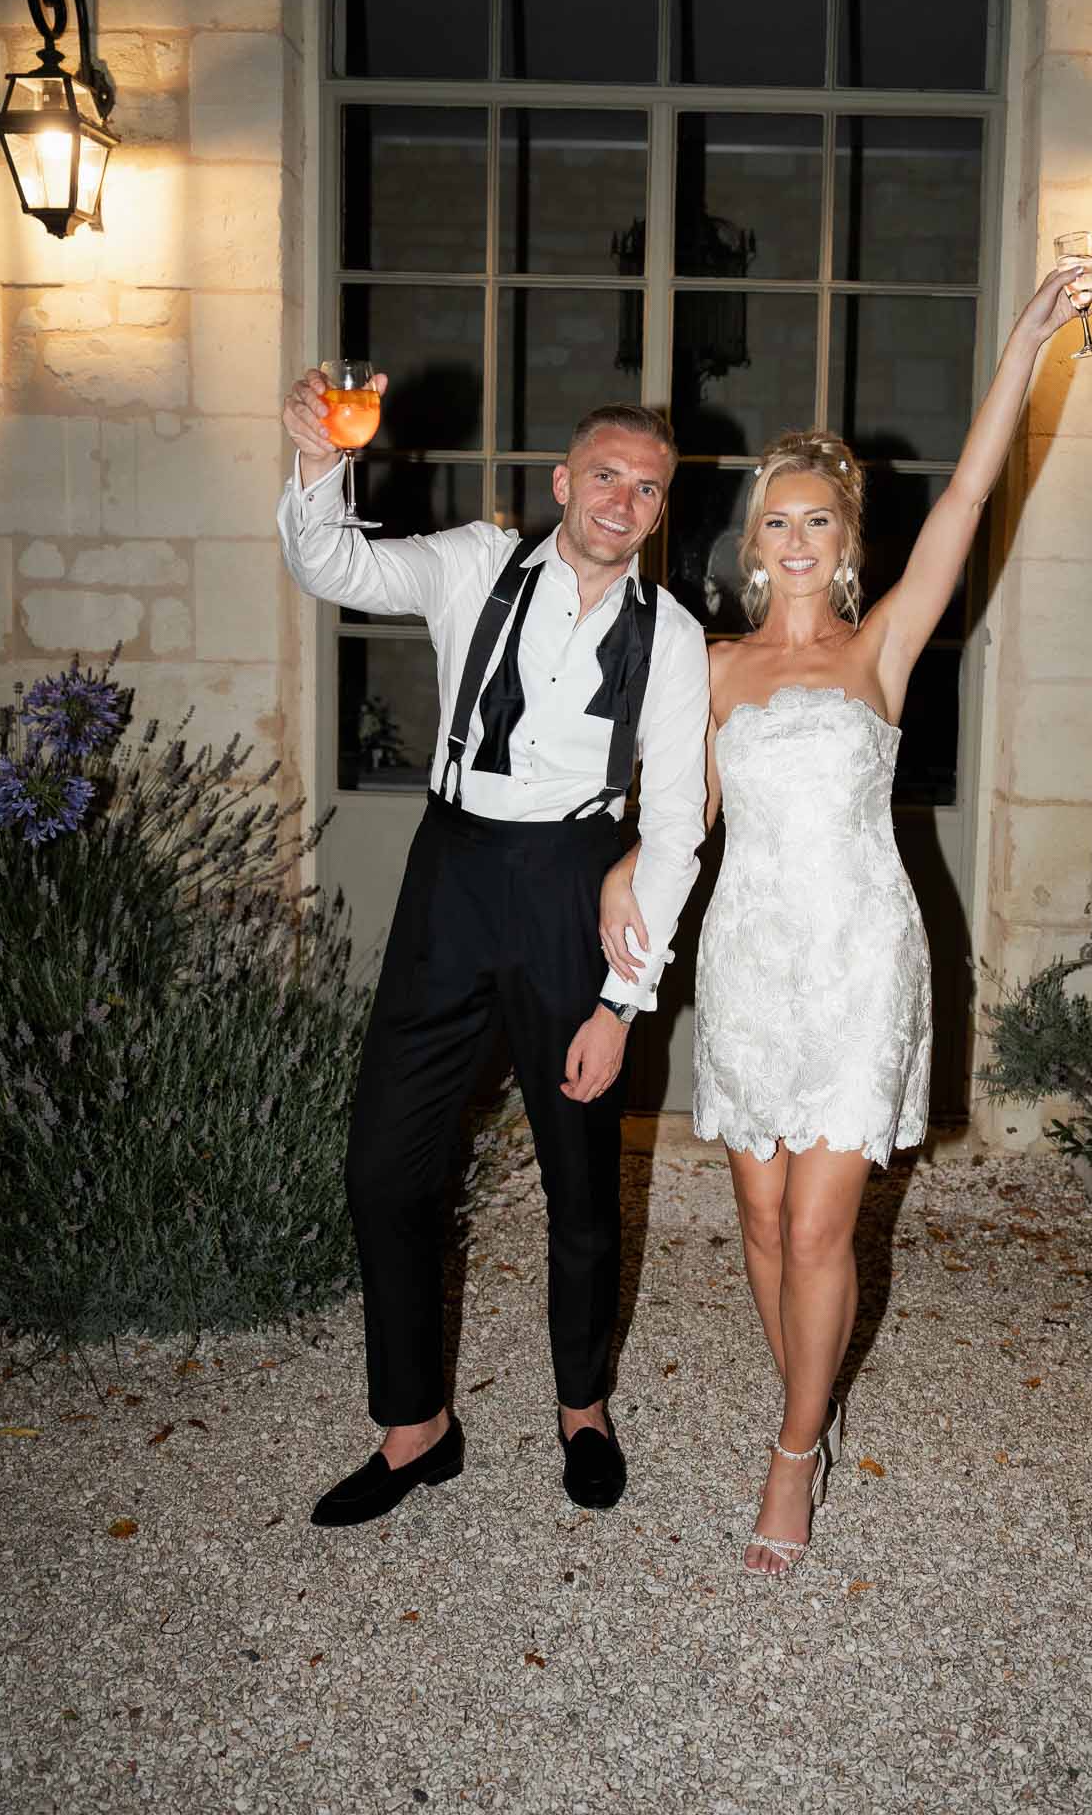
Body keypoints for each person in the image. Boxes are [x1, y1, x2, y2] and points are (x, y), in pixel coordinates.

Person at [601, 261, 1092, 1574]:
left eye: (820, 519)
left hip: (861, 958)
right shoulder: (709, 670)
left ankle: (790, 1450)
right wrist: (615, 878)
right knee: (761, 1225)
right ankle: (810, 1399)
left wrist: (1022, 353)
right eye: (778, 520)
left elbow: (975, 499)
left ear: (846, 541)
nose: (798, 538)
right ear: (752, 544)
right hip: (754, 963)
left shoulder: (881, 648)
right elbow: (681, 824)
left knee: (822, 1225)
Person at [278, 378, 709, 1527]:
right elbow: (338, 568)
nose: (623, 501)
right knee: (384, 1166)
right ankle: (416, 1425)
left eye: (648, 488)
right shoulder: (475, 561)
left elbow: (674, 826)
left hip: (574, 888)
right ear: (565, 482)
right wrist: (323, 463)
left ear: (661, 513)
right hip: (453, 872)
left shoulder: (672, 637)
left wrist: (623, 1001)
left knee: (580, 1173)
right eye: (606, 476)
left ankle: (584, 1407)